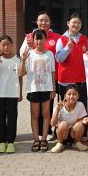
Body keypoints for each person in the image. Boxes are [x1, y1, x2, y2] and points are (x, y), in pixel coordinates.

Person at [20, 12, 61, 141]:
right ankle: (37, 135)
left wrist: (54, 86)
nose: (43, 23)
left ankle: (47, 131)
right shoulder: (29, 37)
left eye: (46, 20)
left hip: (51, 79)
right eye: (41, 20)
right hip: (35, 84)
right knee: (36, 111)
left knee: (48, 108)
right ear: (37, 22)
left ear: (50, 22)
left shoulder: (57, 37)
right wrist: (28, 46)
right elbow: (22, 56)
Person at [55, 13, 88, 139]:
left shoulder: (84, 39)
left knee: (82, 108)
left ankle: (81, 134)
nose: (76, 25)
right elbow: (59, 59)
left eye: (78, 23)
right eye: (73, 22)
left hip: (81, 80)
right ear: (68, 23)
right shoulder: (61, 40)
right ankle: (62, 134)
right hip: (66, 81)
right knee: (65, 108)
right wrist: (67, 48)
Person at [21, 29, 57, 152]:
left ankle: (44, 139)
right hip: (33, 88)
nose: (39, 41)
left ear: (45, 39)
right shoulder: (29, 54)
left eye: (41, 38)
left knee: (46, 114)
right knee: (35, 115)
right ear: (33, 40)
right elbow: (22, 72)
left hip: (46, 88)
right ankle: (36, 139)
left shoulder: (50, 54)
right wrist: (23, 60)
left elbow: (53, 72)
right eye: (37, 38)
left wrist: (53, 88)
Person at [0, 35, 22, 154]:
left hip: (13, 93)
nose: (6, 47)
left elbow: (20, 76)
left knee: (12, 118)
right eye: (3, 45)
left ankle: (10, 142)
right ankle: (1, 142)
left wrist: (20, 93)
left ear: (12, 45)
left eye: (8, 44)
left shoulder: (17, 59)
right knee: (0, 118)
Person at [50, 85, 88, 153]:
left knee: (80, 124)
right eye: (69, 94)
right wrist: (57, 110)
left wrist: (85, 120)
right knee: (63, 124)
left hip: (73, 134)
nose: (71, 97)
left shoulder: (80, 105)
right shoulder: (59, 106)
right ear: (65, 96)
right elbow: (52, 124)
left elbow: (80, 121)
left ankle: (77, 142)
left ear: (78, 96)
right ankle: (60, 143)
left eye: (74, 94)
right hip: (61, 133)